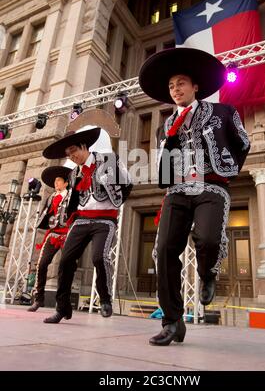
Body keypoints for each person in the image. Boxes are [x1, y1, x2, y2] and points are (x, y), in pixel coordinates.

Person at [138, 47, 250, 345]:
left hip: (211, 187)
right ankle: (172, 321)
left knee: (209, 239)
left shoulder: (222, 111)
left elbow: (243, 142)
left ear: (195, 86)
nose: (176, 89)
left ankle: (208, 272)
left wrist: (225, 168)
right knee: (164, 251)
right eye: (171, 86)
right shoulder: (166, 125)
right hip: (177, 191)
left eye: (181, 83)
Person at [42, 127, 132, 323]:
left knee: (100, 257)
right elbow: (74, 199)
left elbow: (128, 183)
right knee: (66, 260)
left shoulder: (107, 160)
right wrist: (70, 219)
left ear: (84, 146)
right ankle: (62, 307)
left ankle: (105, 300)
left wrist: (116, 202)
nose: (72, 156)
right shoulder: (74, 174)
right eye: (68, 154)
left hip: (105, 219)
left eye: (73, 150)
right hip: (82, 219)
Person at [27, 166, 72, 312]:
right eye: (55, 181)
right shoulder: (51, 197)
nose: (56, 183)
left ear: (66, 183)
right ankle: (38, 298)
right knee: (42, 264)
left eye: (59, 181)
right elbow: (46, 214)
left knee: (66, 267)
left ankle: (63, 301)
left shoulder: (72, 196)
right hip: (52, 235)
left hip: (68, 235)